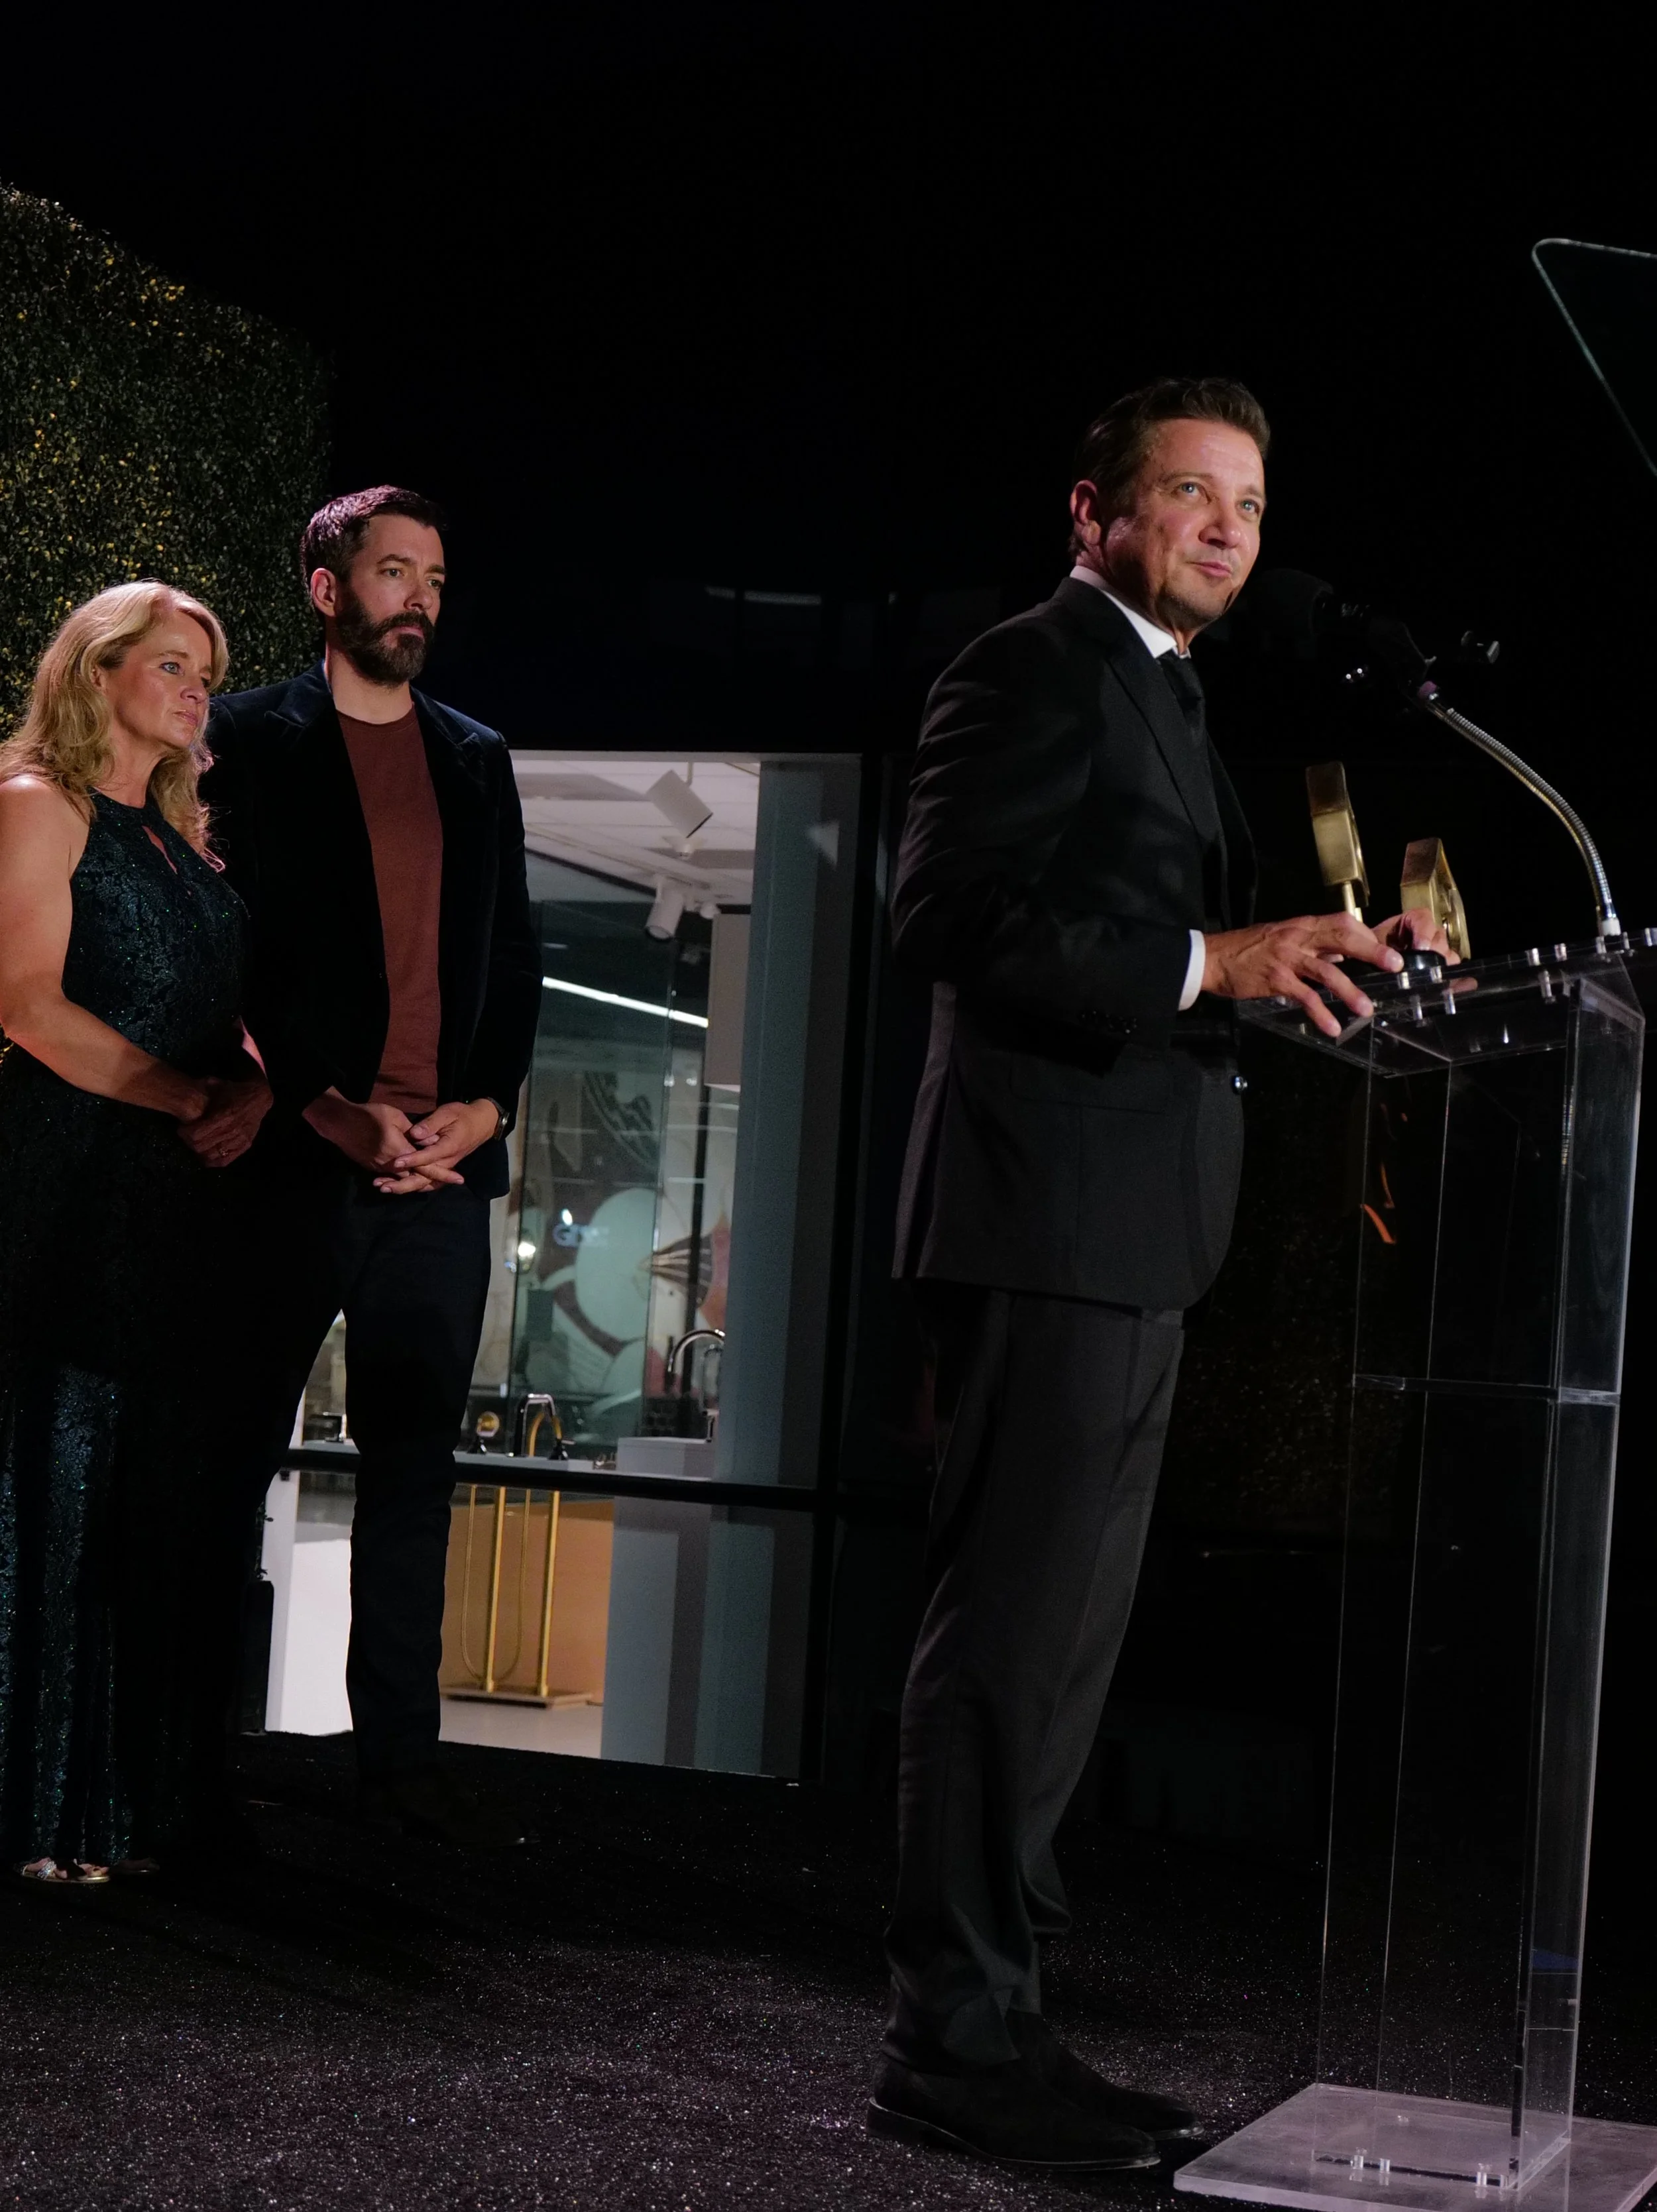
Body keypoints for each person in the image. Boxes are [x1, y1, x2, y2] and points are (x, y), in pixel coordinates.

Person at [872, 378, 1453, 2169]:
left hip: (1127, 1228)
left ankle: (1006, 2019)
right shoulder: (1031, 666)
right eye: (1191, 494)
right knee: (1007, 1643)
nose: (1227, 528)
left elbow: (1162, 954)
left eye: (1250, 505)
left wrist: (1309, 966)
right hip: (1039, 1221)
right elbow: (945, 913)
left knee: (1058, 1660)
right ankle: (952, 2046)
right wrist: (1213, 960)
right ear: (1093, 513)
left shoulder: (1168, 690)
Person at [202, 487, 541, 1848]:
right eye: (396, 571)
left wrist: (485, 1107)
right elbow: (225, 949)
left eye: (437, 578)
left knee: (413, 1471)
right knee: (227, 1457)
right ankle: (185, 1755)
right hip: (294, 1159)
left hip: (439, 1177)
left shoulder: (475, 755)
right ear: (328, 588)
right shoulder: (244, 738)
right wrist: (322, 1105)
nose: (421, 598)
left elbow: (511, 952)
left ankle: (399, 1765)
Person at [0, 582, 272, 1884]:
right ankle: (37, 1814)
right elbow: (23, 1004)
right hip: (69, 1186)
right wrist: (187, 1099)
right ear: (95, 671)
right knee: (54, 1485)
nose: (194, 689)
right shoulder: (34, 806)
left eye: (204, 674)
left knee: (143, 1506)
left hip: (180, 1208)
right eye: (170, 664)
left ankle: (113, 1814)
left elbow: (233, 1025)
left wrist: (254, 1091)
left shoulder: (181, 846)